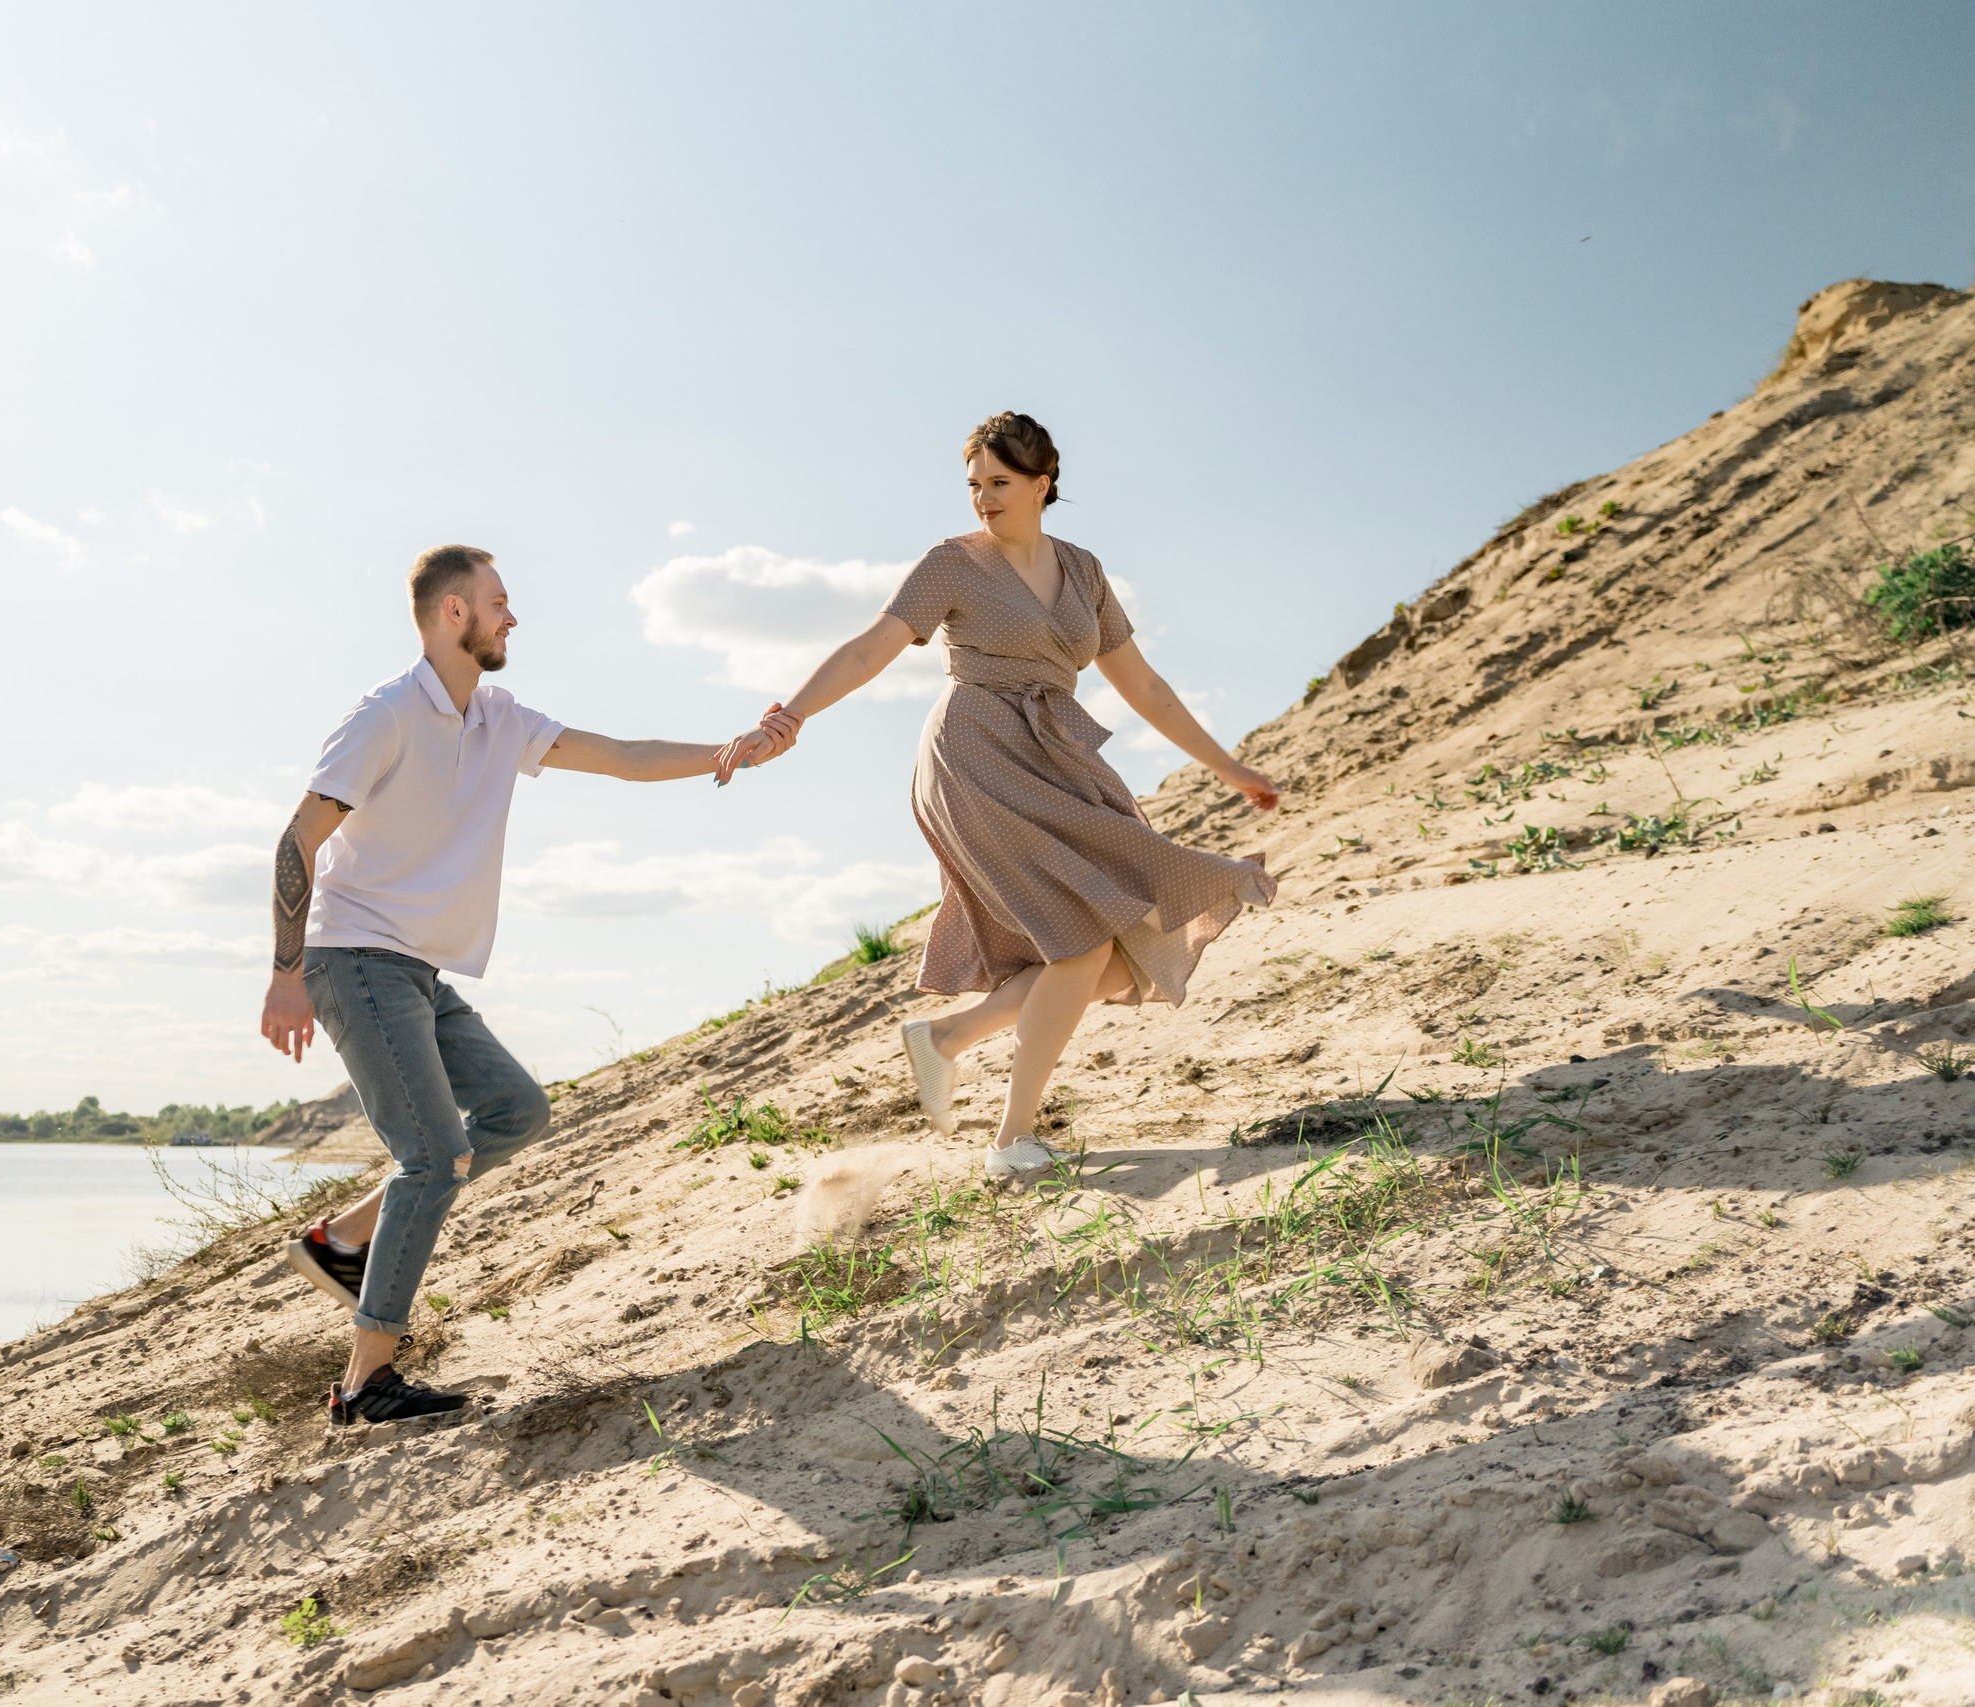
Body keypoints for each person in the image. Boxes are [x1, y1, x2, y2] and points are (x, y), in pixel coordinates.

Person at [262, 544, 750, 1425]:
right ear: (455, 613)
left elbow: (623, 755)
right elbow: (298, 838)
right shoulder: (384, 716)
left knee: (517, 1109)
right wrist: (286, 973)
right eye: (500, 601)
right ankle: (365, 1384)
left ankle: (342, 1240)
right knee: (433, 1154)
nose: (512, 617)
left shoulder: (498, 717)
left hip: (415, 968)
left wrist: (726, 752)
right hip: (356, 957)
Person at [718, 413, 1279, 1179]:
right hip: (976, 753)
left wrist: (1231, 768)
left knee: (1116, 952)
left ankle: (949, 1038)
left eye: (1000, 484)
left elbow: (1144, 685)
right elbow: (869, 647)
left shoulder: (1082, 572)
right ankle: (1014, 1142)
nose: (983, 499)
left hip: (1055, 753)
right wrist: (790, 716)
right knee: (1080, 938)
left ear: (1043, 484)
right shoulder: (951, 565)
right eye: (975, 485)